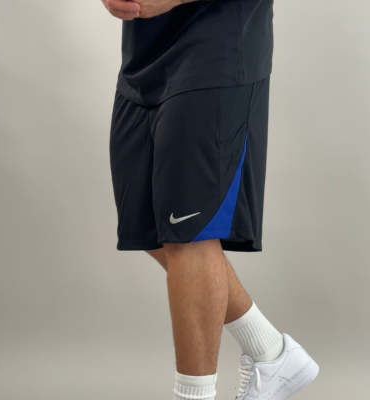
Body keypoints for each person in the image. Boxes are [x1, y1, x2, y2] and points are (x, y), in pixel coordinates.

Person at [101, 0, 319, 398]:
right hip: (144, 55)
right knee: (150, 224)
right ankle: (270, 351)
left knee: (189, 235)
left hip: (218, 50)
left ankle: (196, 394)